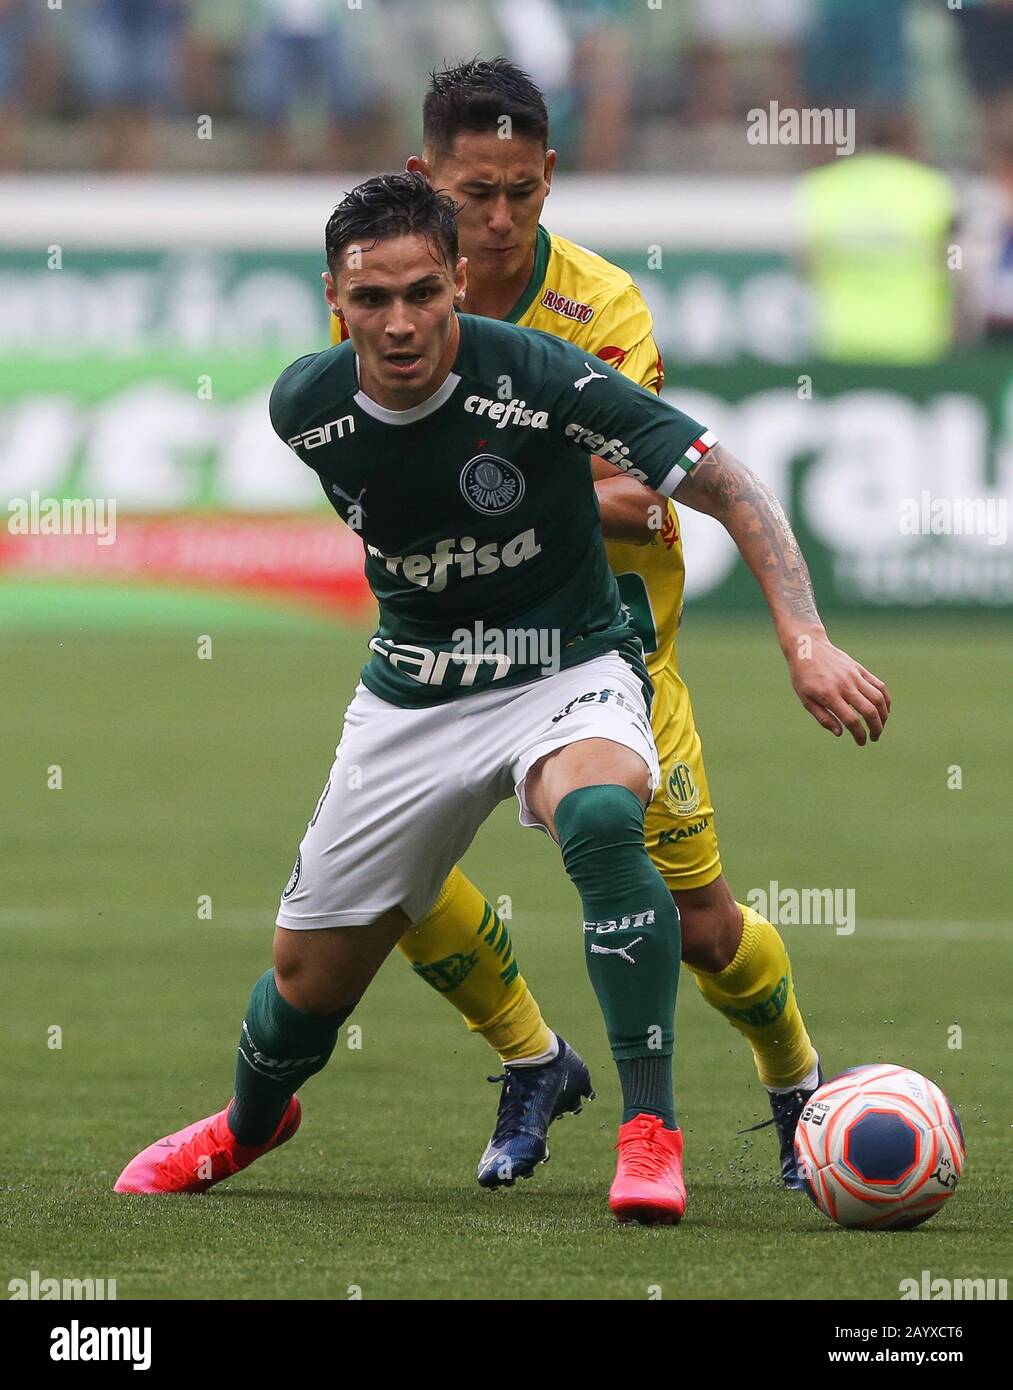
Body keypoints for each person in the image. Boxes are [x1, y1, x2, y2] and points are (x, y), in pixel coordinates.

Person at [114, 169, 730, 1224]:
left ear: (455, 284)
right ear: (332, 300)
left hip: (565, 662)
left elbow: (716, 476)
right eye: (371, 300)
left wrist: (803, 634)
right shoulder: (303, 407)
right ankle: (249, 1124)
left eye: (420, 294)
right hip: (417, 688)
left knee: (595, 816)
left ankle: (650, 1130)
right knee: (305, 978)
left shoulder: (539, 372)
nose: (398, 323)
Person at [327, 60, 891, 1191]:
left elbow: (640, 489)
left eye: (522, 194)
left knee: (699, 929)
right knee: (383, 882)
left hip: (607, 649)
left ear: (550, 179)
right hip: (453, 648)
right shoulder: (384, 283)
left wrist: (802, 638)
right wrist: (519, 466)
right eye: (472, 192)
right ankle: (532, 1059)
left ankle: (794, 1079)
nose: (495, 220)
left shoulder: (598, 305)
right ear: (420, 178)